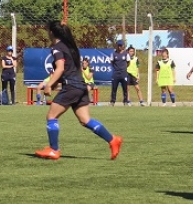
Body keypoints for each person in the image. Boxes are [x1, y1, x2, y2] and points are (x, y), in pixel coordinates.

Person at [34, 21, 123, 161]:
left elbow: (60, 69)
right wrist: (56, 83)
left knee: (51, 116)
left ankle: (53, 150)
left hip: (71, 87)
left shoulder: (57, 48)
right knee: (85, 120)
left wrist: (49, 84)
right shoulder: (71, 47)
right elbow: (70, 69)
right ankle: (113, 140)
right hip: (81, 86)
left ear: (51, 32)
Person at [109, 41, 130, 106]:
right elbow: (112, 62)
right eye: (119, 45)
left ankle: (125, 101)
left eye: (121, 45)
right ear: (117, 46)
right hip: (116, 74)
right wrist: (116, 69)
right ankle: (112, 101)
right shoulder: (113, 54)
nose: (120, 47)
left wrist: (123, 68)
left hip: (123, 74)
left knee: (125, 88)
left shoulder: (126, 54)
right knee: (114, 88)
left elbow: (128, 62)